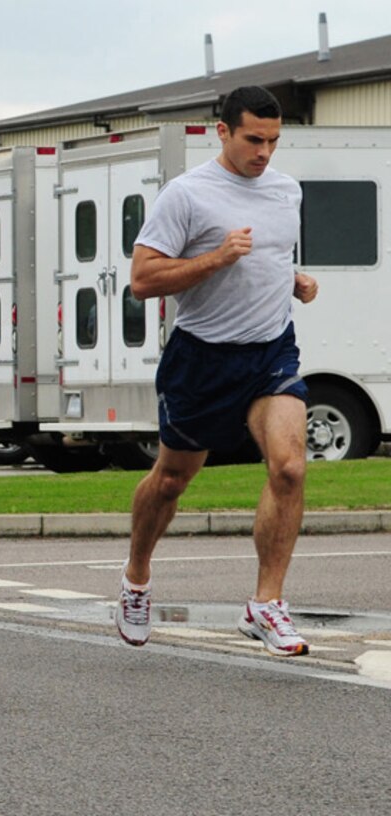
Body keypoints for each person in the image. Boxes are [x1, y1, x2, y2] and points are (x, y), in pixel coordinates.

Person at [117, 86, 320, 657]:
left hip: (269, 352)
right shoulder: (186, 196)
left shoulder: (286, 192)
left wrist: (294, 280)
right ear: (223, 132)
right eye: (254, 139)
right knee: (172, 478)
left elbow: (275, 256)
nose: (264, 152)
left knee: (289, 468)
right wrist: (217, 258)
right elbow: (143, 279)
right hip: (202, 359)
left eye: (274, 141)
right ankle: (136, 577)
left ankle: (266, 604)